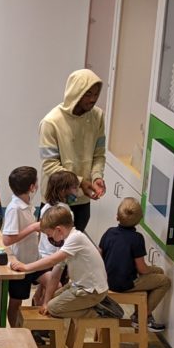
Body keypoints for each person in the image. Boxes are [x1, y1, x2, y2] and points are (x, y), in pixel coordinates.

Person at [10, 205, 109, 320]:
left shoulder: (76, 238)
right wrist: (45, 302)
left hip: (92, 291)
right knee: (53, 300)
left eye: (49, 235)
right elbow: (55, 275)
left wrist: (26, 267)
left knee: (53, 308)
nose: (49, 238)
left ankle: (99, 314)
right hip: (81, 286)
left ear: (58, 230)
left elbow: (52, 261)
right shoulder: (67, 241)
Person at [39, 69, 107, 231]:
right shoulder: (51, 122)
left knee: (75, 247)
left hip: (82, 199)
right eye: (87, 94)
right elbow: (50, 165)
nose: (93, 99)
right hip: (56, 198)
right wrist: (80, 181)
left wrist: (97, 176)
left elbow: (99, 154)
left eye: (96, 94)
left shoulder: (97, 116)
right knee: (51, 247)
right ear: (75, 92)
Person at [99, 198, 170, 332]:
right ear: (139, 220)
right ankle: (142, 317)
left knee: (154, 277)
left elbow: (99, 256)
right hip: (124, 284)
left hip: (106, 280)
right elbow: (142, 269)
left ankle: (144, 316)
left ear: (117, 216)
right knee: (163, 280)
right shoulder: (137, 238)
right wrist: (154, 269)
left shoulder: (109, 232)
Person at [1, 166, 42, 328]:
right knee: (16, 302)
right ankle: (15, 329)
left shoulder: (27, 203)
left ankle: (38, 323)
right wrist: (32, 228)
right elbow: (6, 239)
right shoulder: (15, 208)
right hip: (20, 261)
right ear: (32, 187)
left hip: (33, 259)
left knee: (53, 283)